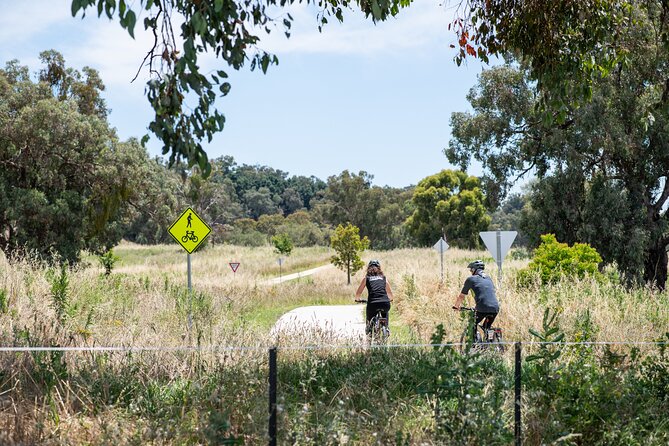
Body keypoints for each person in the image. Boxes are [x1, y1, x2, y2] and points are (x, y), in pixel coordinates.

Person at [453, 260, 499, 339]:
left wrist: (456, 306)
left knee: (472, 324)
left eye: (471, 269)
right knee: (486, 327)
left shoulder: (471, 279)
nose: (470, 271)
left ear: (475, 270)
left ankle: (475, 345)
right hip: (495, 307)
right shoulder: (488, 278)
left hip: (482, 308)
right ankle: (491, 342)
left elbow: (462, 296)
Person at [354, 260, 394, 334]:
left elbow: (358, 293)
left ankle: (369, 330)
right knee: (385, 312)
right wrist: (390, 299)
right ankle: (386, 327)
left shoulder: (366, 278)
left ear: (368, 268)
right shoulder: (383, 278)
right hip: (385, 303)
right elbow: (390, 293)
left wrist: (358, 299)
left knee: (370, 318)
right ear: (379, 268)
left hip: (372, 304)